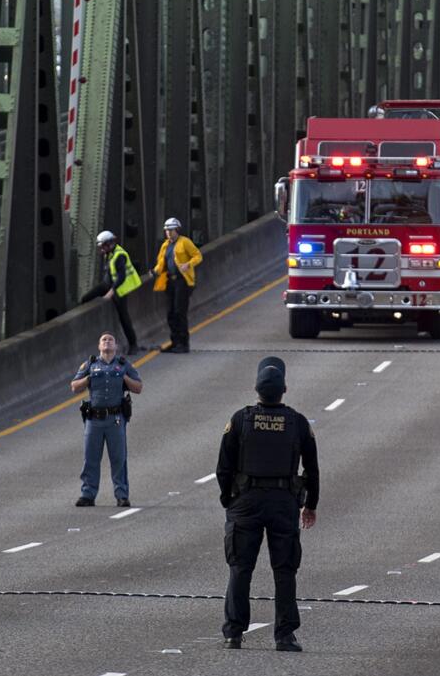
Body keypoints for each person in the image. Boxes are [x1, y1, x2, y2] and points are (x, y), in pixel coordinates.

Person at [215, 357, 319, 652]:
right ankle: (284, 635)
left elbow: (223, 466)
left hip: (245, 502)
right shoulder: (297, 422)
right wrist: (310, 504)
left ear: (256, 389)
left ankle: (233, 633)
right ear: (284, 389)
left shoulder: (239, 419)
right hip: (283, 502)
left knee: (240, 568)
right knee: (284, 569)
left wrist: (229, 500)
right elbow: (312, 468)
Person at [69, 332, 143, 507]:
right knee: (91, 457)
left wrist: (124, 377)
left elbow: (138, 387)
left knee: (118, 458)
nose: (107, 342)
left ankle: (122, 495)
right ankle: (87, 494)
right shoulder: (90, 364)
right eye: (104, 340)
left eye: (110, 340)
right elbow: (74, 387)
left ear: (115, 346)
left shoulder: (123, 365)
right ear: (99, 346)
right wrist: (88, 378)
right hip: (94, 419)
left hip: (115, 419)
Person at [80, 230, 142, 353]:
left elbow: (121, 277)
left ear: (109, 244)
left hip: (119, 289)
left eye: (102, 246)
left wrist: (111, 292)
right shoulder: (109, 253)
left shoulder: (120, 255)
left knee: (124, 317)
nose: (101, 249)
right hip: (106, 285)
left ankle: (133, 345)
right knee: (85, 299)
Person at [151, 217, 202, 353]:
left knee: (180, 312)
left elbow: (198, 255)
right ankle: (174, 342)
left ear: (177, 230)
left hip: (183, 281)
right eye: (167, 230)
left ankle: (184, 344)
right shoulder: (165, 245)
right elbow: (162, 262)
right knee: (170, 313)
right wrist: (155, 272)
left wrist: (188, 264)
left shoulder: (185, 242)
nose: (168, 233)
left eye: (171, 230)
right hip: (170, 282)